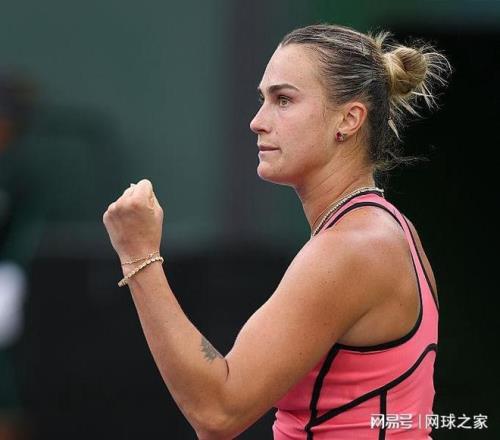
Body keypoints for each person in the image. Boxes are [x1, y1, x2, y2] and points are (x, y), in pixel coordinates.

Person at [103, 23, 451, 439]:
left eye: (283, 100)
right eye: (262, 99)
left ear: (349, 119)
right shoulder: (381, 230)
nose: (257, 122)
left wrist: (139, 255)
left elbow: (217, 412)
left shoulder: (352, 248)